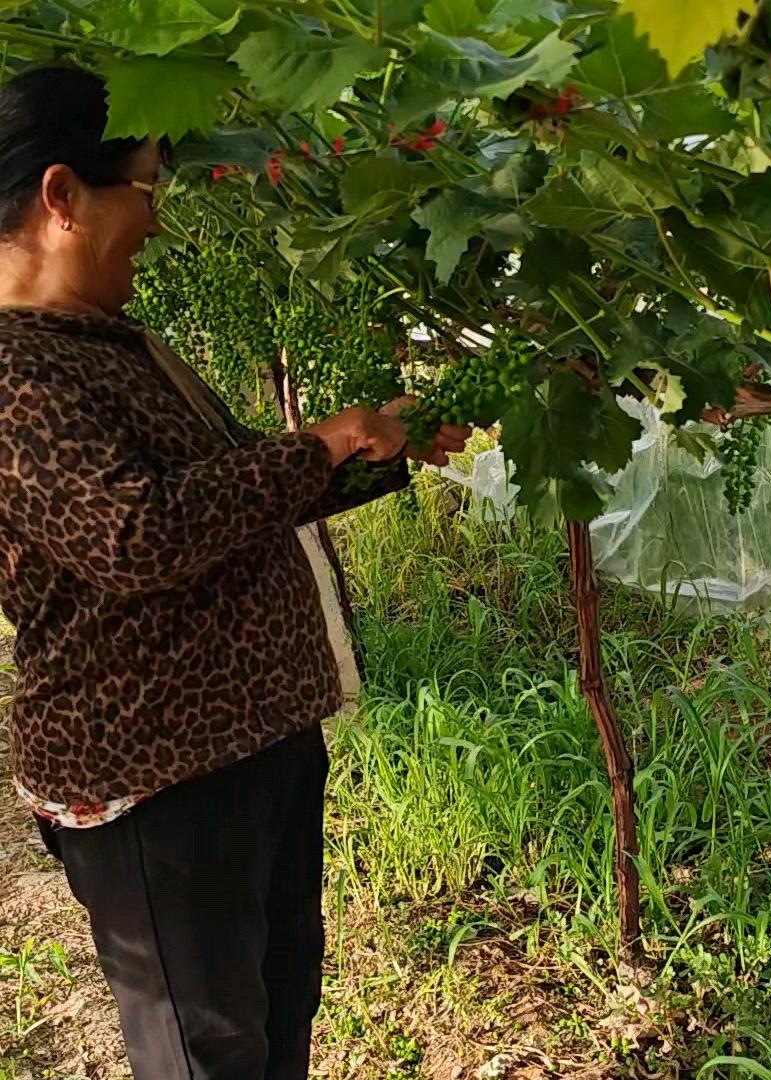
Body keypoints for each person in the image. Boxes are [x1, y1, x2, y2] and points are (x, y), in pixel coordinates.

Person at [0, 64, 469, 1079]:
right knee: (208, 1053)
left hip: (251, 748)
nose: (158, 222)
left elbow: (230, 492)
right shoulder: (11, 373)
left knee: (273, 1014)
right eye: (147, 189)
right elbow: (134, 536)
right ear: (61, 198)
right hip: (157, 788)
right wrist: (317, 447)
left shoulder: (110, 342)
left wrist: (382, 449)